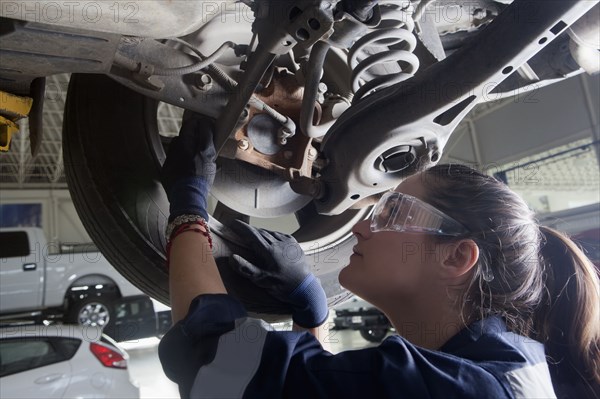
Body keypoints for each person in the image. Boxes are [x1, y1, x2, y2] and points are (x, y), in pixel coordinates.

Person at [158, 113, 600, 398]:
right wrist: (311, 313)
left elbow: (214, 366)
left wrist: (188, 203)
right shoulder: (499, 375)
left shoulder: (463, 388)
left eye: (394, 211)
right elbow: (318, 387)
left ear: (457, 257)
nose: (364, 225)